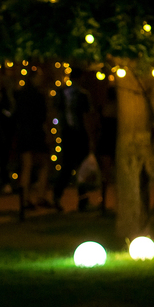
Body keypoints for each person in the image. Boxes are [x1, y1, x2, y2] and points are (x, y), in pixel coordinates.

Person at [52, 68, 95, 211]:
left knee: (67, 166)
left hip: (66, 133)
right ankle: (82, 200)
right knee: (81, 167)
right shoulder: (82, 94)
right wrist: (90, 136)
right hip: (79, 133)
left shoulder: (61, 93)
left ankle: (57, 196)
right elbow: (86, 117)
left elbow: (55, 112)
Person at [13, 70, 51, 210]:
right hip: (35, 132)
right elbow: (43, 117)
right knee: (43, 164)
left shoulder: (20, 95)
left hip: (23, 132)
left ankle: (25, 199)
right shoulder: (39, 96)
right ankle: (40, 196)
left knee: (27, 165)